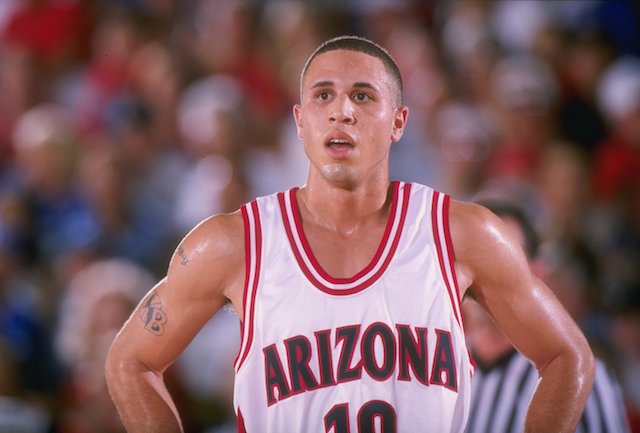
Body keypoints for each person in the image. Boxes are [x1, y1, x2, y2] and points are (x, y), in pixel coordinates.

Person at [104, 35, 594, 433]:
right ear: (300, 122)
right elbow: (131, 362)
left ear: (399, 122)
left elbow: (567, 356)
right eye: (323, 96)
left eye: (363, 95)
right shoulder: (233, 242)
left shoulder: (461, 233)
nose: (342, 111)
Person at [463, 200, 631, 433]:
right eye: (476, 261)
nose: (487, 276)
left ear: (536, 275)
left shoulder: (580, 378)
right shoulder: (440, 363)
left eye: (503, 262)